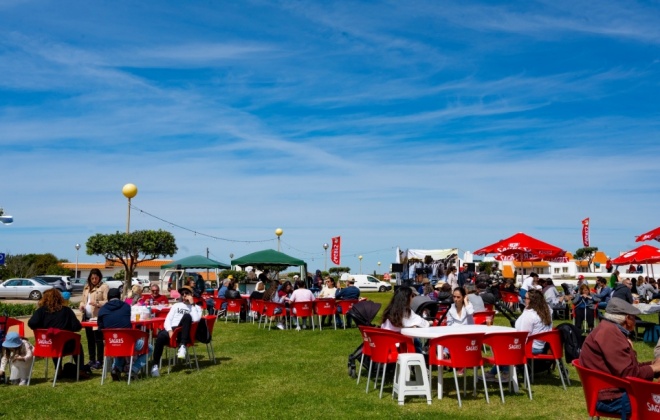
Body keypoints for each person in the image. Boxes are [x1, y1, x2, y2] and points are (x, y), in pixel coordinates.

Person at [579, 298, 660, 419]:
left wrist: (652, 364)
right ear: (627, 318)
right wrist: (654, 368)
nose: (636, 321)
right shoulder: (609, 334)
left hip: (611, 394)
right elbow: (629, 374)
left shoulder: (608, 329)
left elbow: (627, 368)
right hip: (612, 398)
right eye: (634, 317)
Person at [27, 289, 86, 373]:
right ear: (59, 298)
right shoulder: (66, 311)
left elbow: (32, 324)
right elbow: (77, 327)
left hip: (45, 345)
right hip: (64, 346)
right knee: (76, 344)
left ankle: (58, 369)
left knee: (54, 340)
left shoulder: (40, 311)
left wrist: (42, 329)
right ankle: (81, 369)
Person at [150, 285, 203, 377]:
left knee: (187, 316)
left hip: (184, 332)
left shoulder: (196, 308)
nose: (184, 295)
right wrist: (170, 331)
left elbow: (196, 320)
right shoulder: (176, 305)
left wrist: (192, 304)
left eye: (187, 293)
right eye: (182, 294)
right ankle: (155, 366)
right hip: (173, 330)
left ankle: (182, 346)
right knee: (160, 336)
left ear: (191, 294)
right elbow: (167, 320)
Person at [98, 288, 149, 381]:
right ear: (119, 297)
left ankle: (116, 368)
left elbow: (100, 328)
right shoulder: (126, 307)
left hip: (111, 343)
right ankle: (133, 369)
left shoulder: (102, 310)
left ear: (108, 297)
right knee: (149, 348)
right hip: (127, 343)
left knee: (119, 347)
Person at [380, 287, 429, 353]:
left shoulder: (388, 311)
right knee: (417, 342)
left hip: (384, 346)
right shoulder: (407, 313)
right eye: (412, 296)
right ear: (407, 298)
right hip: (401, 348)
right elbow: (425, 324)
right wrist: (413, 326)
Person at [78, 268, 108, 370]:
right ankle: (92, 359)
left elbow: (107, 301)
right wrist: (81, 306)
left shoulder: (104, 287)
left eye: (96, 278)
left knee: (98, 340)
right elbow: (82, 301)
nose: (94, 280)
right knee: (90, 340)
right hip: (87, 317)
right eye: (92, 278)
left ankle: (100, 360)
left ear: (99, 277)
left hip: (97, 317)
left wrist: (97, 303)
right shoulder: (86, 288)